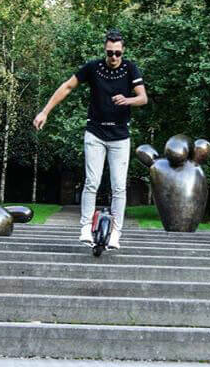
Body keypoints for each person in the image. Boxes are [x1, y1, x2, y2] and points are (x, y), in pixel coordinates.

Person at [33, 30, 147, 249]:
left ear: (123, 51)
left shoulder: (130, 68)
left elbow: (143, 98)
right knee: (91, 182)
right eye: (110, 53)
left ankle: (115, 233)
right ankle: (85, 228)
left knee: (119, 187)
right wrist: (45, 112)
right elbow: (67, 86)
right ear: (105, 50)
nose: (113, 57)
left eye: (117, 53)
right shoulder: (93, 68)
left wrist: (128, 100)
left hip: (120, 137)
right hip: (95, 133)